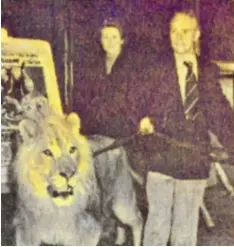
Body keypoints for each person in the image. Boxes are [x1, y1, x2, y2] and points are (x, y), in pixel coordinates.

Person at [142, 9, 234, 246]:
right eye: (174, 31)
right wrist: (141, 119)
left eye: (185, 31)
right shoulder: (155, 68)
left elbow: (220, 115)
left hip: (194, 159)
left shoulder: (207, 71)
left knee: (185, 231)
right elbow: (134, 101)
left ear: (197, 34)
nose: (178, 36)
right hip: (161, 156)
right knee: (157, 227)